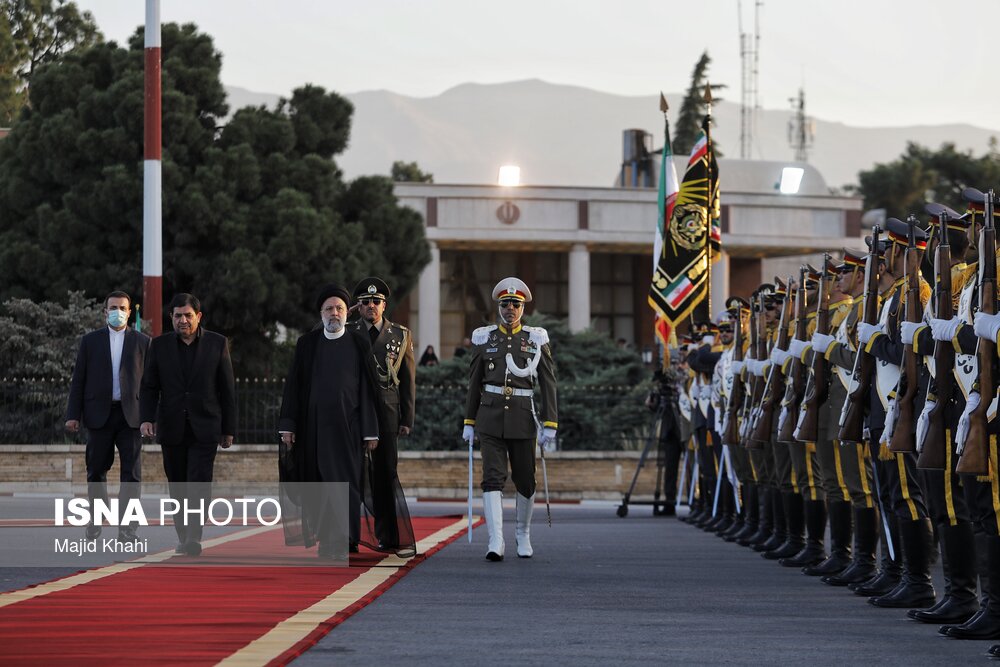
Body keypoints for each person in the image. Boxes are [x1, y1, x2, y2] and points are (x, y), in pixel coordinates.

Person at [278, 284, 380, 559]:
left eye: (339, 309)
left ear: (347, 313)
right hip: (314, 430)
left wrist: (370, 431)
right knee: (320, 485)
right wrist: (288, 425)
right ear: (321, 313)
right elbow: (294, 387)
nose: (334, 313)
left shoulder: (359, 343)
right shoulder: (307, 344)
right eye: (329, 309)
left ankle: (346, 538)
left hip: (349, 428)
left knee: (346, 485)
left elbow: (369, 391)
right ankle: (326, 538)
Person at [463, 277, 558, 560]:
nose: (510, 309)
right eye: (505, 304)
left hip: (522, 417)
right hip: (489, 416)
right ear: (499, 307)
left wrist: (550, 423)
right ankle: (496, 540)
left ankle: (522, 534)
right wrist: (469, 422)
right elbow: (474, 383)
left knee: (526, 480)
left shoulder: (535, 339)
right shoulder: (485, 338)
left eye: (515, 305)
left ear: (523, 308)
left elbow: (548, 382)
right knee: (492, 478)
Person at [140, 293, 237, 556]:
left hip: (205, 427)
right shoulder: (158, 346)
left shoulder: (217, 344)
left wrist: (229, 429)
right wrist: (146, 418)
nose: (183, 320)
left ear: (198, 317)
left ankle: (194, 535)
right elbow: (149, 386)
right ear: (171, 317)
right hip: (171, 427)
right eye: (177, 315)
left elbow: (227, 389)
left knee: (198, 482)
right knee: (178, 484)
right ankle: (183, 535)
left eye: (188, 315)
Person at [65, 290, 150, 542]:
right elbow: (78, 380)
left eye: (123, 308)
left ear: (128, 311)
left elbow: (150, 384)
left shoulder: (143, 342)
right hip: (98, 415)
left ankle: (127, 529)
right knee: (96, 471)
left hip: (130, 417)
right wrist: (73, 414)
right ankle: (96, 518)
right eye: (113, 308)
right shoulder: (90, 342)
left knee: (131, 475)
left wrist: (150, 417)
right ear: (105, 312)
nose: (118, 313)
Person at [349, 277, 416, 557]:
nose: (371, 306)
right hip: (353, 411)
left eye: (376, 302)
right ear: (358, 306)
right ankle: (351, 535)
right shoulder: (347, 331)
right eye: (365, 302)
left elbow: (408, 378)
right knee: (353, 473)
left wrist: (407, 418)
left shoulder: (400, 335)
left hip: (387, 412)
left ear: (384, 305)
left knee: (385, 474)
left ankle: (387, 535)